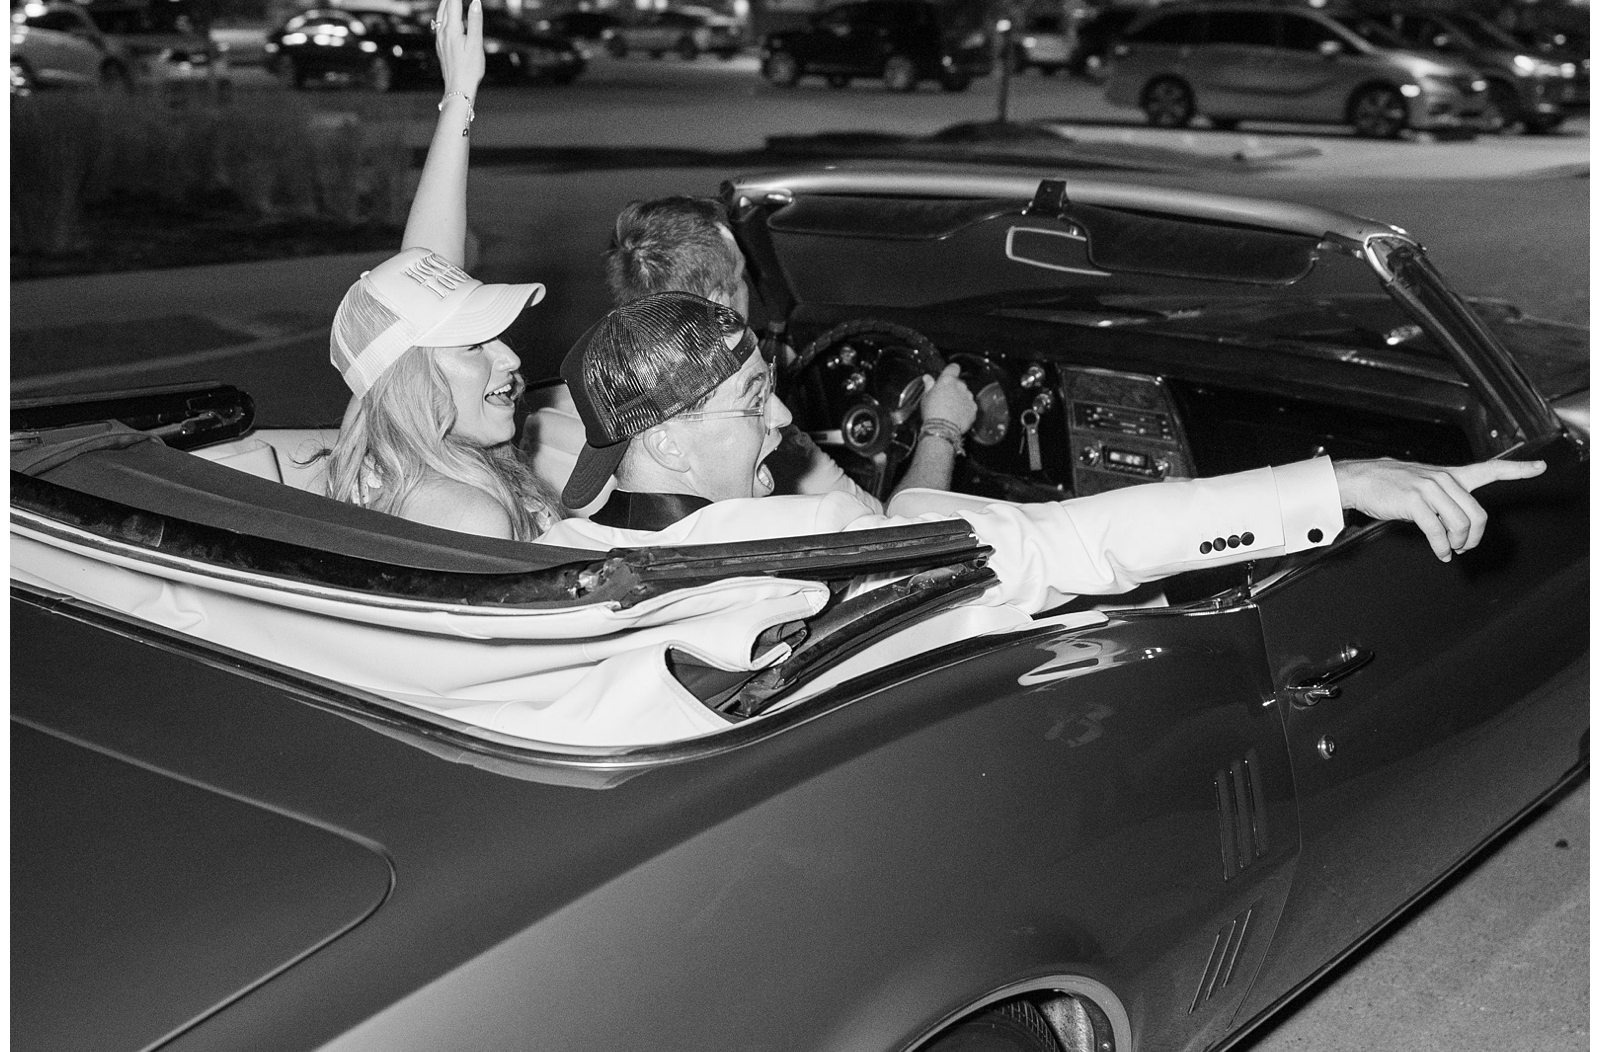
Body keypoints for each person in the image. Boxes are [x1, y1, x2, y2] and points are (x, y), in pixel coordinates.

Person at [543, 292, 1546, 604]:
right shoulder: (835, 553)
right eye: (756, 400)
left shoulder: (556, 551)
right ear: (669, 441)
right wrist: (1346, 477)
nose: (779, 424)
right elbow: (1085, 540)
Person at [525, 192, 978, 508]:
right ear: (722, 302)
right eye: (742, 275)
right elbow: (897, 537)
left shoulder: (544, 417)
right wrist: (942, 428)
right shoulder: (759, 435)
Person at [323, 0, 561, 539]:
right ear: (413, 381)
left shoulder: (392, 458)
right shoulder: (468, 514)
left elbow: (422, 277)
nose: (510, 359)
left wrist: (459, 98)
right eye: (476, 343)